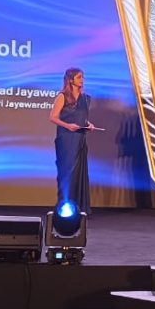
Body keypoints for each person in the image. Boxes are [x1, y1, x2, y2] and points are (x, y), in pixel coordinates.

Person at [49, 68, 94, 214]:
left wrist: (88, 125)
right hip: (66, 139)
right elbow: (53, 117)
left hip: (80, 139)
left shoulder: (85, 98)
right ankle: (64, 207)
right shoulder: (62, 96)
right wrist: (68, 126)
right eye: (79, 77)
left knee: (78, 173)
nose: (82, 80)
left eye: (83, 77)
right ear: (70, 79)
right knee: (67, 172)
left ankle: (79, 208)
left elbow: (82, 119)